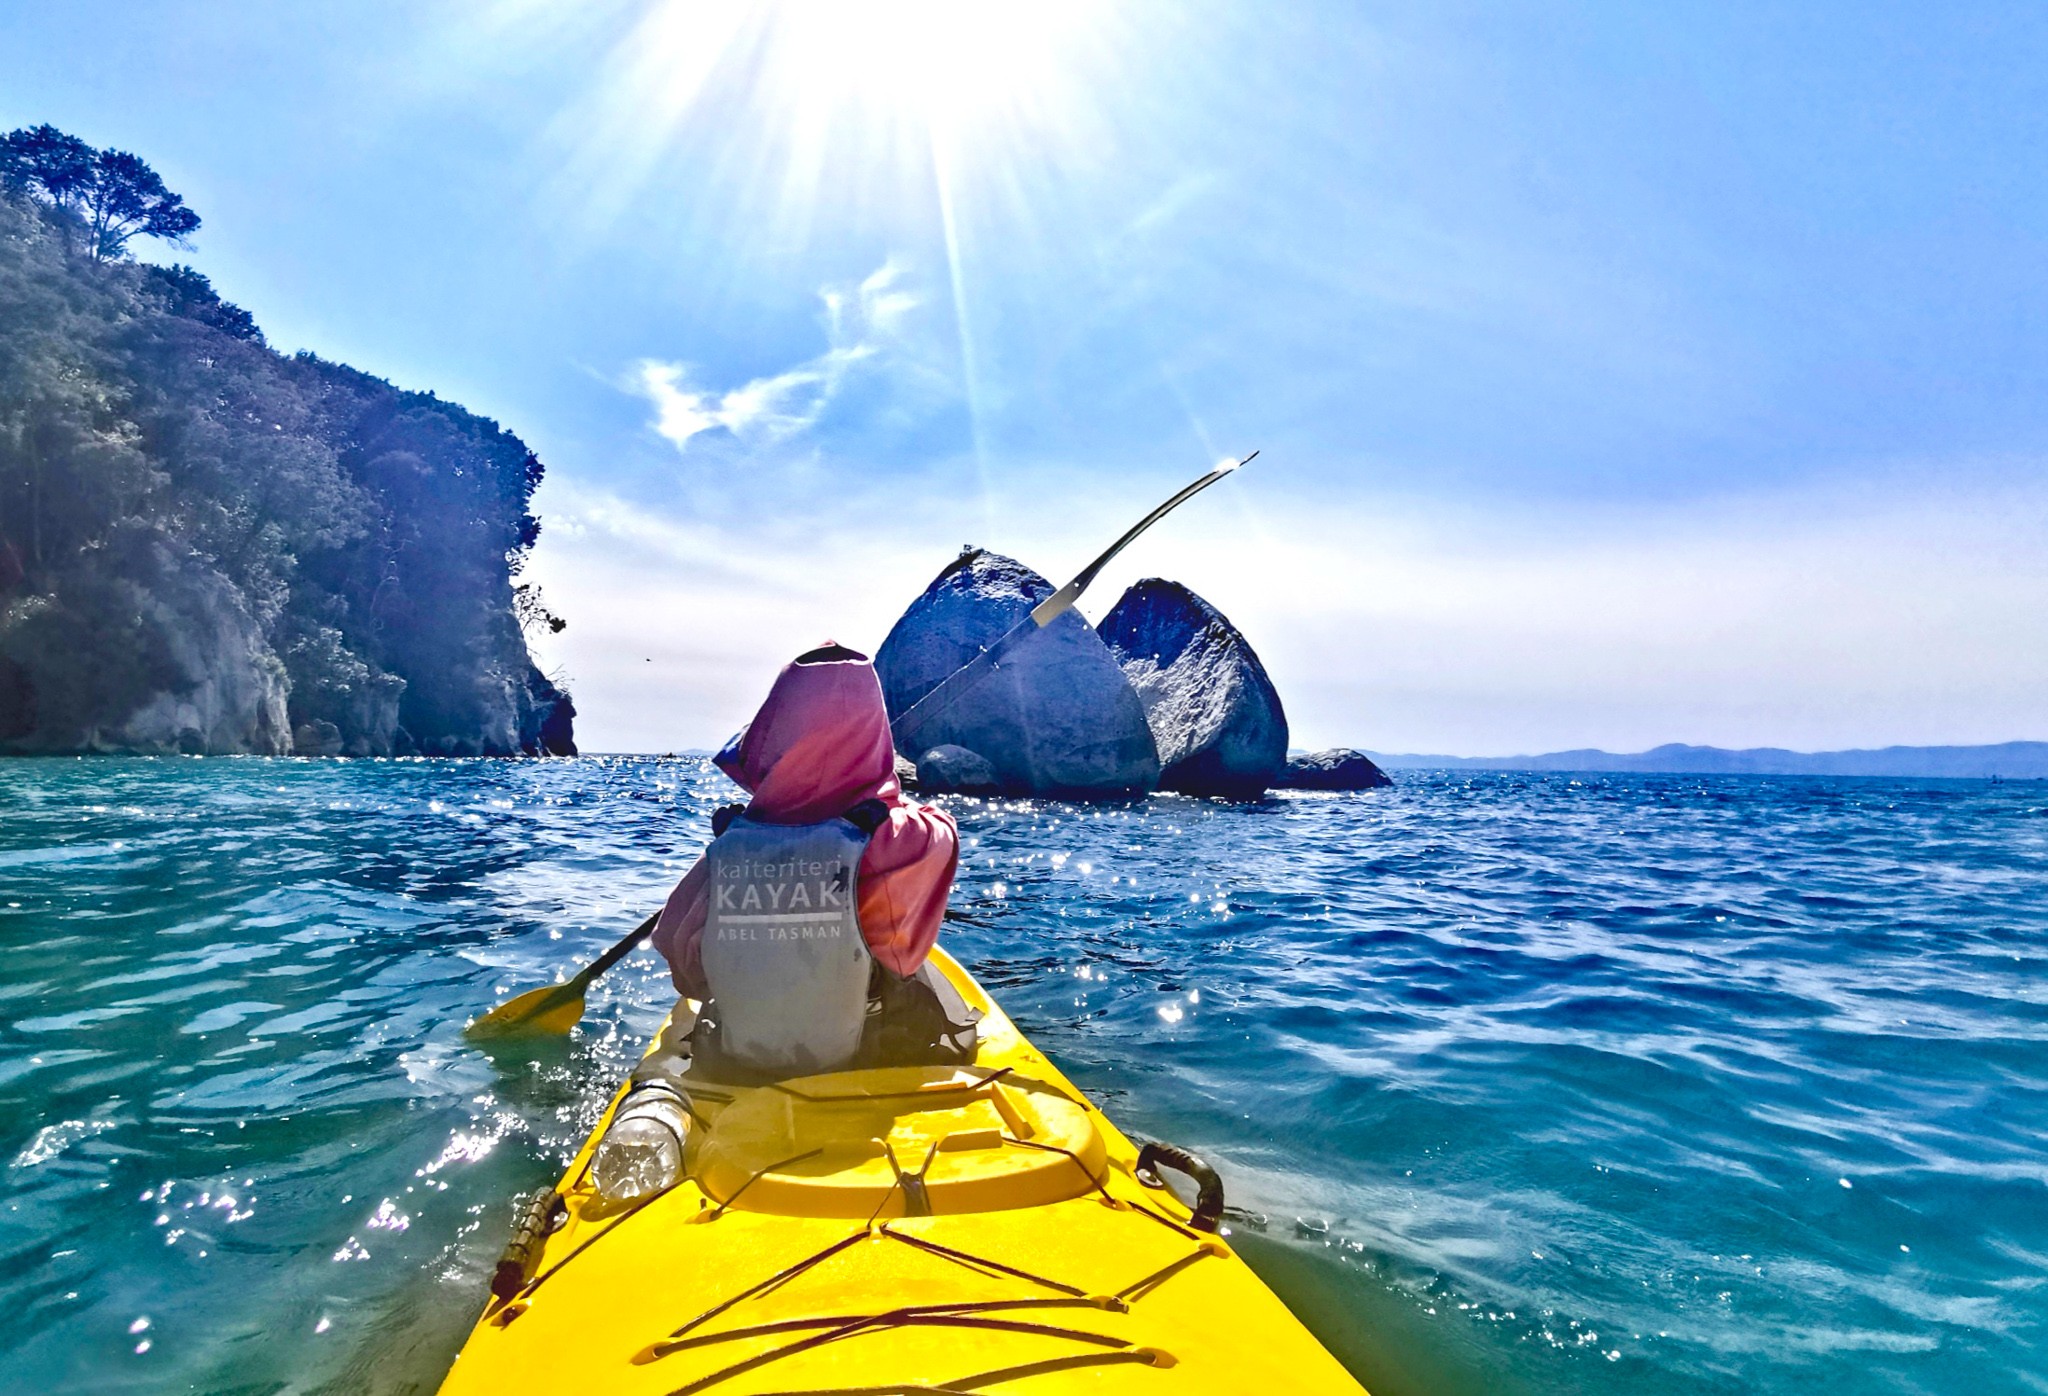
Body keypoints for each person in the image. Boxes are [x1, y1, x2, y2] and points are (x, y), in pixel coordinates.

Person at [651, 642, 961, 1077]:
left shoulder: (726, 851)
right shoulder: (903, 839)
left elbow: (685, 969)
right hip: (870, 1059)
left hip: (740, 1063)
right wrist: (881, 793)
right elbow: (942, 828)